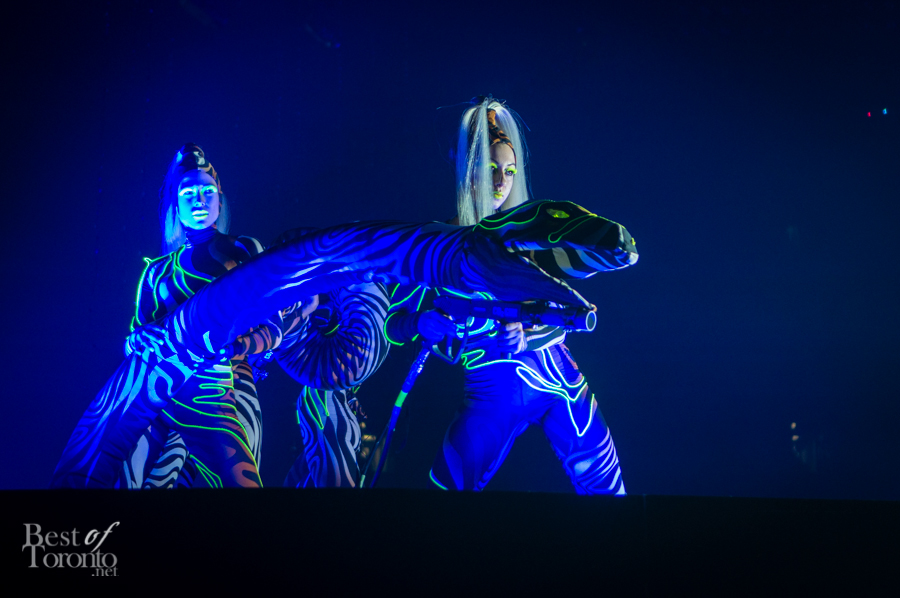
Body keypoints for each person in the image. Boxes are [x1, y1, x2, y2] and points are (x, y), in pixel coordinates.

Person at [51, 162, 599, 489]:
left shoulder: (245, 253)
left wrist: (262, 338)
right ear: (174, 202)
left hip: (221, 396)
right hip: (161, 385)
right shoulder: (157, 273)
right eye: (189, 193)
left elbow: (296, 313)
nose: (200, 201)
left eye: (207, 192)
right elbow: (140, 335)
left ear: (221, 199)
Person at [385, 97, 638, 494]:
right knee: (441, 502)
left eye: (509, 171)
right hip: (490, 396)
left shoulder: (529, 240)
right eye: (491, 170)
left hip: (561, 385)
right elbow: (390, 325)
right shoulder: (436, 245)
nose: (502, 182)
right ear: (467, 171)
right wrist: (421, 322)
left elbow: (568, 302)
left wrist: (529, 330)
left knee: (610, 494)